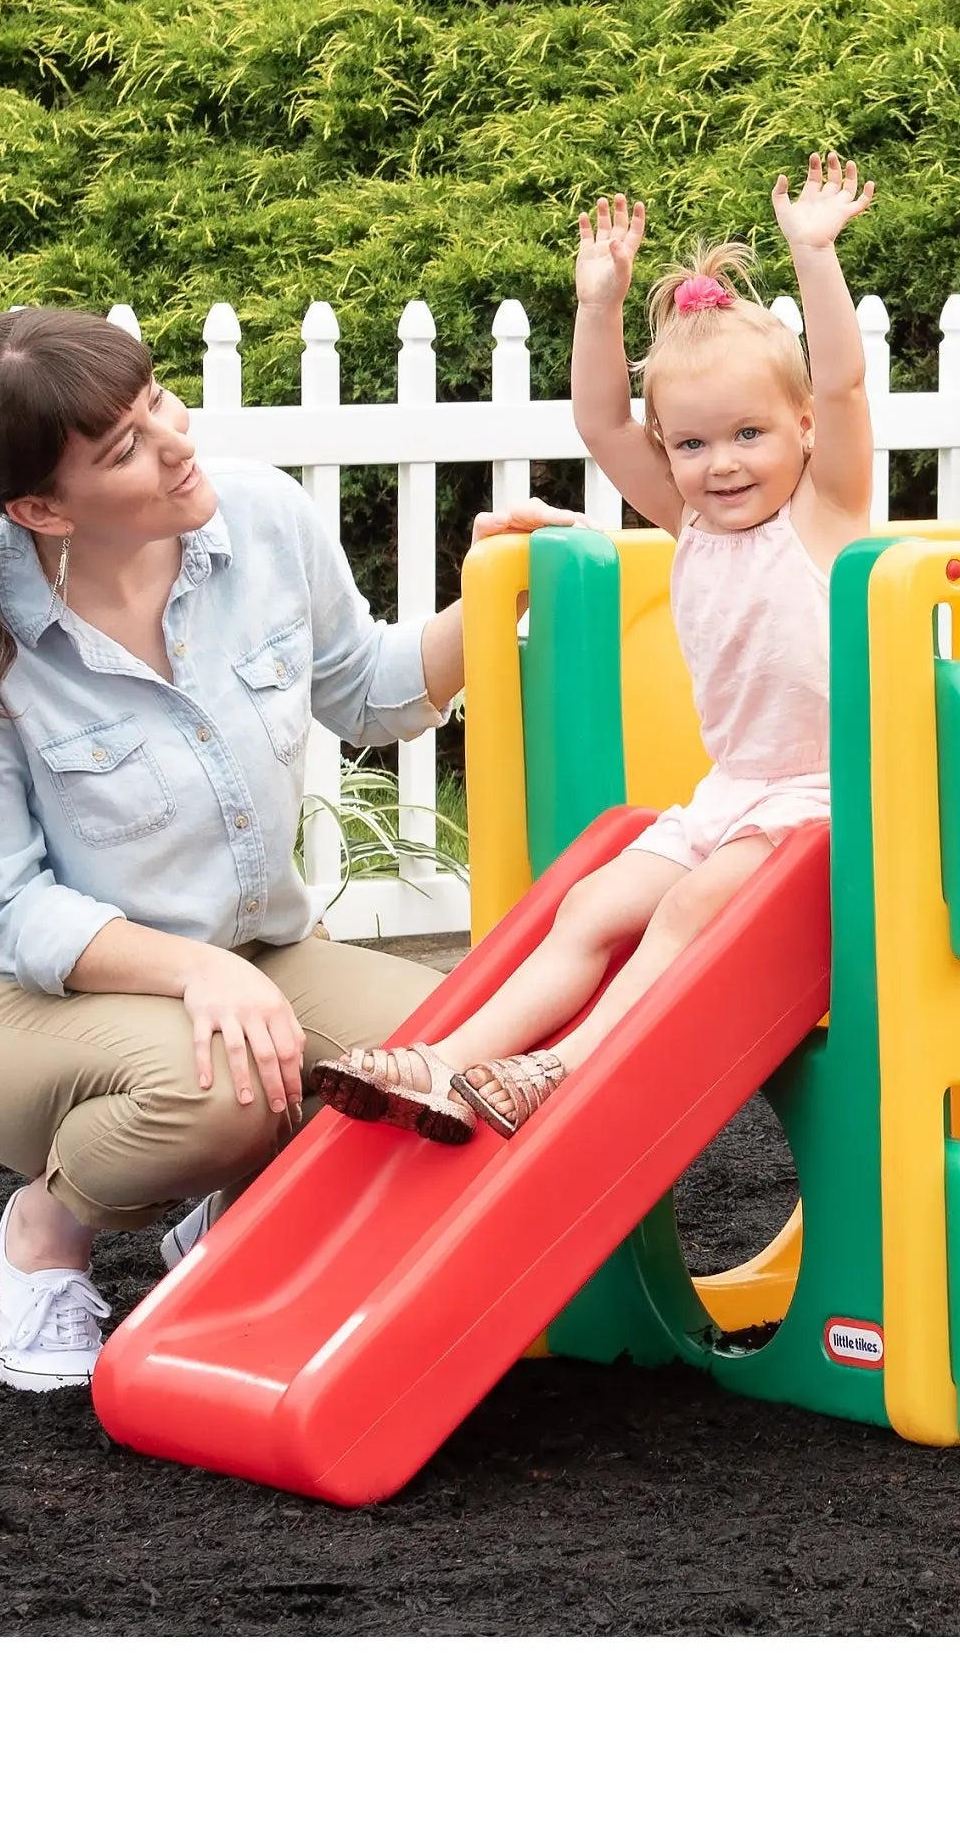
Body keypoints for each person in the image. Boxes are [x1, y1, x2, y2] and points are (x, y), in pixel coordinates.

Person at [0, 306, 575, 1391]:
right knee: (233, 1092)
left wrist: (489, 587)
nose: (175, 438)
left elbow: (370, 691)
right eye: (125, 448)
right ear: (43, 507)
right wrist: (196, 972)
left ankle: (242, 1232)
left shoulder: (263, 516)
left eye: (157, 401)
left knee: (455, 1068)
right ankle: (46, 1231)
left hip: (259, 960)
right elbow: (3, 910)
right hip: (21, 1002)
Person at [315, 152, 876, 1142]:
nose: (722, 463)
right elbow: (601, 420)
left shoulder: (824, 515)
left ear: (795, 428)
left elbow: (840, 382)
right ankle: (444, 1063)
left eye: (749, 434)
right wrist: (599, 304)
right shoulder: (692, 524)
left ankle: (560, 1069)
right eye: (693, 445)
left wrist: (814, 257)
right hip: (734, 796)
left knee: (685, 910)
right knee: (588, 906)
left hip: (834, 807)